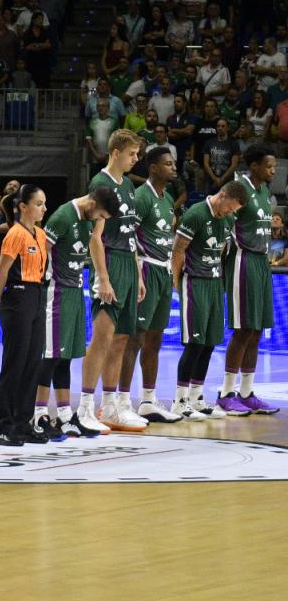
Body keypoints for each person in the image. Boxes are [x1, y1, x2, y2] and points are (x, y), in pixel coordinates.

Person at [35, 186, 120, 439]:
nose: (100, 221)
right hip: (55, 291)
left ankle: (64, 415)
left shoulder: (88, 220)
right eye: (101, 216)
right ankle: (39, 413)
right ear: (92, 205)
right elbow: (41, 252)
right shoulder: (62, 217)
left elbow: (94, 243)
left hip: (75, 291)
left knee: (66, 356)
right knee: (49, 356)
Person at [77, 129, 147, 433]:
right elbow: (96, 239)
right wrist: (103, 278)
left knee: (122, 338)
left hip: (128, 262)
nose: (136, 159)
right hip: (109, 262)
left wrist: (137, 272)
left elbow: (130, 232)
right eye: (132, 153)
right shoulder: (100, 183)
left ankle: (110, 407)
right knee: (102, 338)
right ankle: (84, 407)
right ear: (115, 152)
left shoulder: (129, 187)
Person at [116, 147, 183, 424]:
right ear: (153, 167)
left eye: (173, 163)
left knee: (155, 338)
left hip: (163, 271)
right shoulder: (141, 197)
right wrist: (137, 275)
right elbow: (129, 237)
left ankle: (148, 399)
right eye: (167, 164)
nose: (173, 168)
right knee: (135, 337)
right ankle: (120, 401)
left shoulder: (167, 198)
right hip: (144, 267)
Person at [172, 180, 247, 419]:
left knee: (209, 343)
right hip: (194, 282)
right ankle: (179, 400)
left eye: (234, 211)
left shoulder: (227, 220)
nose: (230, 212)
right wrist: (176, 284)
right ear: (222, 195)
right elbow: (178, 251)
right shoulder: (195, 214)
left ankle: (196, 397)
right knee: (194, 343)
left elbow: (223, 251)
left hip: (215, 283)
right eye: (230, 207)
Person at [219, 145, 281, 415]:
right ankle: (226, 393)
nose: (273, 170)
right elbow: (222, 220)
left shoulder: (266, 191)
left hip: (261, 262)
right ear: (254, 165)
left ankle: (247, 393)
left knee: (256, 331)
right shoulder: (238, 188)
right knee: (243, 329)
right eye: (269, 166)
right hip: (242, 260)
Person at [0, 185, 49, 446]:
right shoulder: (15, 234)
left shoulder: (39, 233)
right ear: (22, 207)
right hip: (17, 297)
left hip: (36, 295)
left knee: (32, 363)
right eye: (38, 203)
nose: (43, 208)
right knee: (14, 363)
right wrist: (0, 298)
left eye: (44, 203)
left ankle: (23, 423)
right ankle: (3, 425)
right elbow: (1, 271)